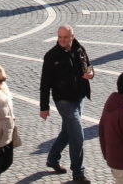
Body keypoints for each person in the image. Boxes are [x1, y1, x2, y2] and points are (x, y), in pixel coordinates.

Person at [40, 25, 93, 183]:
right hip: (63, 100)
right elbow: (45, 84)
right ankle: (78, 173)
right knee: (77, 135)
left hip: (79, 98)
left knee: (67, 132)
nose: (62, 41)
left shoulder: (79, 49)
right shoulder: (51, 56)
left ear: (72, 36)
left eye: (66, 38)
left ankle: (53, 158)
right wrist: (44, 107)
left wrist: (91, 74)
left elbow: (89, 66)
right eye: (60, 37)